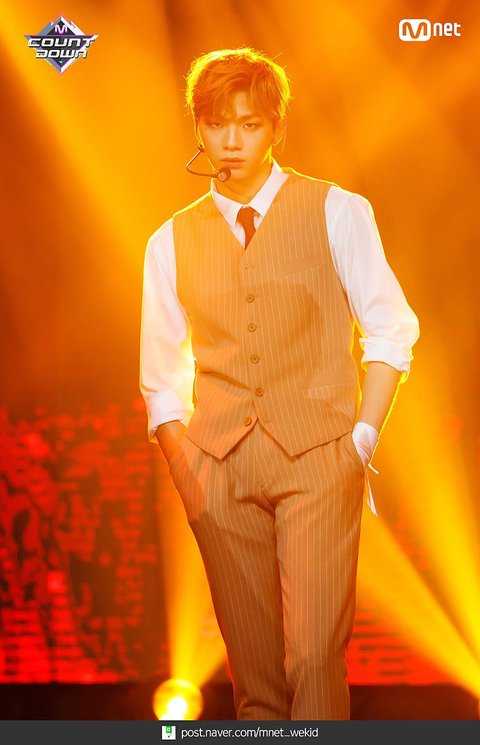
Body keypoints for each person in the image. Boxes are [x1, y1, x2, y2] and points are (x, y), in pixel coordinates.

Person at [139, 47, 419, 720]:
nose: (231, 142)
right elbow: (159, 379)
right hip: (217, 468)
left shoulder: (337, 210)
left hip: (320, 457)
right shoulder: (169, 241)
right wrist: (188, 473)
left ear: (276, 127)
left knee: (314, 661)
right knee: (256, 679)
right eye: (217, 125)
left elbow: (391, 331)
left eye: (250, 124)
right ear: (198, 128)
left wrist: (359, 442)